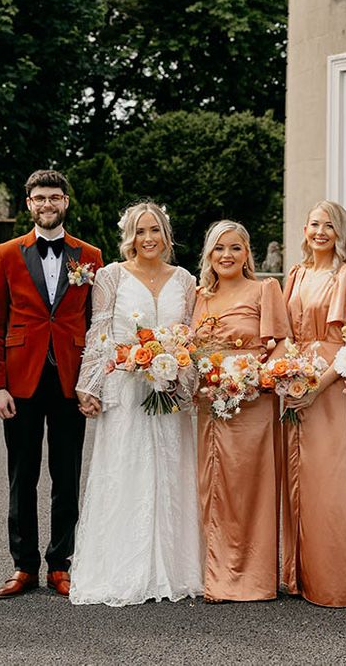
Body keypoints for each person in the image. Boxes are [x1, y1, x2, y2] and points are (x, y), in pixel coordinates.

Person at [69, 202, 203, 606]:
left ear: (166, 235)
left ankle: (176, 567)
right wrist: (88, 384)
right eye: (140, 231)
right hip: (126, 388)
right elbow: (100, 333)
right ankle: (122, 568)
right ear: (129, 236)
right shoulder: (110, 276)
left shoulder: (186, 280)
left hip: (170, 390)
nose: (148, 238)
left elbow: (193, 337)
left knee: (172, 467)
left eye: (156, 230)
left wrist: (182, 375)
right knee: (126, 469)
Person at [0, 170, 103, 598]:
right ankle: (23, 566)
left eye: (54, 197)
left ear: (66, 202)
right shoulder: (5, 254)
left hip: (70, 379)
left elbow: (96, 324)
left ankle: (61, 563)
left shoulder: (89, 255)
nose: (47, 204)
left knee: (66, 475)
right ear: (28, 203)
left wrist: (93, 381)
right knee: (22, 475)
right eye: (39, 198)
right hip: (20, 382)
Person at [192, 220, 289, 603]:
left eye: (235, 248)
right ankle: (215, 575)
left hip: (252, 403)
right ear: (209, 255)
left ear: (247, 253)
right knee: (212, 487)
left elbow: (281, 344)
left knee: (250, 489)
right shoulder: (201, 296)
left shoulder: (265, 289)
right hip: (209, 404)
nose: (226, 255)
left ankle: (253, 578)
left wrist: (254, 378)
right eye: (219, 248)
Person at [281, 200, 346, 607]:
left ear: (340, 232)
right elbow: (282, 330)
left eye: (329, 226)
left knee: (327, 482)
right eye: (314, 224)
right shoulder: (296, 273)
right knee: (294, 476)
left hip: (329, 389)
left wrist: (319, 386)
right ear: (304, 229)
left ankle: (331, 581)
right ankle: (298, 576)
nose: (320, 232)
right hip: (295, 384)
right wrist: (288, 374)